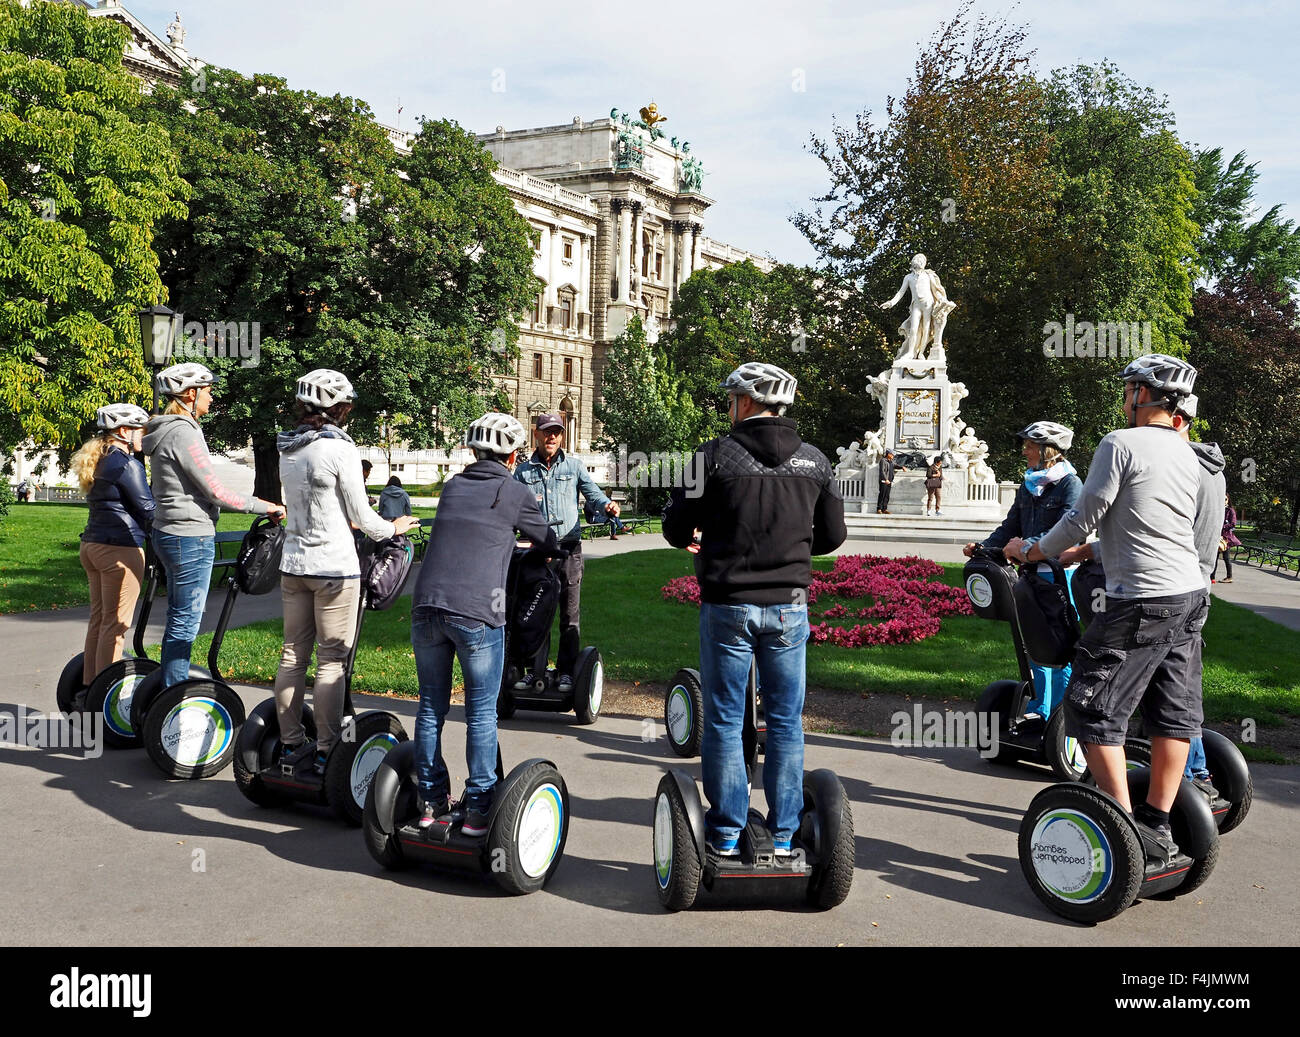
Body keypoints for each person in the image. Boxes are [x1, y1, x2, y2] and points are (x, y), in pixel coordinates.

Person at [1010, 354, 1204, 865]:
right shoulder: (1189, 453)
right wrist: (1091, 552)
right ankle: (1157, 823)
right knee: (1173, 713)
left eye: (1129, 389)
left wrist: (1033, 550)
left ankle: (1122, 828)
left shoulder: (1119, 444)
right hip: (1188, 595)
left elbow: (1082, 517)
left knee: (1089, 707)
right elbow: (1159, 524)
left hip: (1139, 599)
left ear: (1144, 396)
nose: (1124, 398)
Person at [663, 361, 847, 858]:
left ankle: (724, 833)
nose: (728, 407)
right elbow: (832, 537)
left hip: (729, 604)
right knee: (786, 720)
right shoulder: (815, 461)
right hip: (789, 607)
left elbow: (677, 529)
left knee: (725, 718)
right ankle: (785, 835)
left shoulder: (711, 458)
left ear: (745, 402)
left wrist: (704, 532)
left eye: (730, 399)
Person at [409, 413, 557, 834]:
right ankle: (477, 809)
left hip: (427, 609)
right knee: (480, 713)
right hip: (477, 611)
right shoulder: (513, 491)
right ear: (513, 456)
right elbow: (545, 539)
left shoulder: (453, 486)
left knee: (430, 709)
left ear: (474, 453)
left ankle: (431, 803)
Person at [273, 370, 418, 774]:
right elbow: (362, 516)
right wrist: (395, 528)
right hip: (334, 568)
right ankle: (326, 749)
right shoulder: (339, 450)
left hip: (294, 565)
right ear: (337, 407)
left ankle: (288, 745)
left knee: (292, 657)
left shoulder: (288, 447)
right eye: (347, 405)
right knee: (332, 661)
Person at [143, 363, 284, 692]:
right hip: (190, 536)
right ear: (190, 394)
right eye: (207, 391)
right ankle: (174, 698)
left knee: (179, 616)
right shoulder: (184, 432)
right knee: (185, 621)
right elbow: (215, 491)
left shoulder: (167, 430)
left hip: (168, 531)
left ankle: (168, 686)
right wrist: (267, 506)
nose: (212, 397)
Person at [963, 421, 1082, 720]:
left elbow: (1068, 530)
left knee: (1060, 647)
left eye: (1030, 445)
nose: (1024, 450)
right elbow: (1011, 525)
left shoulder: (1071, 485)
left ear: (1048, 450)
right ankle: (1040, 709)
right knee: (1035, 644)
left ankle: (1060, 714)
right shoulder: (1029, 485)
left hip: (1059, 576)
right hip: (1030, 575)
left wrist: (1028, 547)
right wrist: (984, 546)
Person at [512, 413, 618, 693]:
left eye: (557, 432)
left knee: (569, 617)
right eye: (547, 432)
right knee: (535, 613)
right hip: (536, 554)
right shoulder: (523, 472)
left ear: (562, 435)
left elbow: (593, 494)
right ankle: (533, 671)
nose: (552, 437)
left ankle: (566, 673)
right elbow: (514, 509)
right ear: (537, 434)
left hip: (568, 551)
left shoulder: (574, 467)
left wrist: (606, 506)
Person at [71, 404, 155, 685]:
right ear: (123, 432)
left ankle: (89, 687)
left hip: (93, 546)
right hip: (121, 548)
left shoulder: (100, 458)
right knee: (116, 625)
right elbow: (147, 509)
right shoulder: (126, 464)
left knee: (100, 620)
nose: (145, 437)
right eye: (141, 430)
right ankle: (105, 692)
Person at [1216, 494, 1239, 583]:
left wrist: (1222, 526)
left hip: (1226, 538)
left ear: (1228, 500)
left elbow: (1233, 524)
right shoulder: (1218, 510)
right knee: (1214, 558)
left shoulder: (1230, 511)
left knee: (1226, 558)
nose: (1224, 501)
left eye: (1225, 499)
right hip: (1217, 536)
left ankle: (1229, 577)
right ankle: (1211, 577)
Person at [876, 449, 905, 514]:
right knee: (882, 494)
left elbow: (895, 465)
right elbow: (882, 471)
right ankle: (879, 509)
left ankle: (884, 509)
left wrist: (902, 467)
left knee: (887, 495)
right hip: (884, 481)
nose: (893, 456)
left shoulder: (891, 461)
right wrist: (885, 479)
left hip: (889, 481)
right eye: (892, 455)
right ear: (888, 454)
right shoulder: (883, 461)